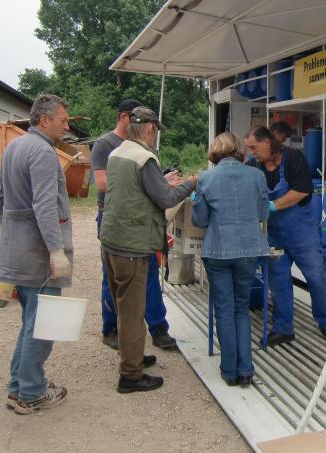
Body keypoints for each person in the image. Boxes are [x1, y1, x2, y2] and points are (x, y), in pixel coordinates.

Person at [100, 106, 195, 393]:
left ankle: (134, 356)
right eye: (156, 131)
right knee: (132, 310)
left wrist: (160, 181)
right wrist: (190, 183)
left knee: (121, 305)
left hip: (111, 240)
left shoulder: (119, 152)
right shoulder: (145, 157)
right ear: (150, 129)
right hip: (132, 245)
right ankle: (130, 375)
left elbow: (135, 188)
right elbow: (166, 199)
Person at [0, 94, 72, 414]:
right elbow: (45, 207)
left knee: (31, 321)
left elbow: (1, 200)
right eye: (63, 120)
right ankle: (30, 392)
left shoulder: (14, 146)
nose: (66, 126)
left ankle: (19, 384)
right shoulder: (42, 151)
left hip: (19, 248)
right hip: (40, 255)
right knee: (43, 326)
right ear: (45, 121)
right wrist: (55, 250)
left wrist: (15, 238)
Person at [91, 99, 177, 351]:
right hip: (113, 218)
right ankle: (112, 329)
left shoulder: (144, 148)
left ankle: (157, 327)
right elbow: (103, 184)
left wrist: (160, 181)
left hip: (141, 222)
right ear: (126, 117)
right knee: (113, 278)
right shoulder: (105, 145)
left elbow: (146, 182)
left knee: (149, 273)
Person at [244, 126, 326, 346]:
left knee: (316, 277)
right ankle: (283, 328)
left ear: (267, 142)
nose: (250, 152)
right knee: (278, 281)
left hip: (302, 233)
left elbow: (303, 190)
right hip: (274, 235)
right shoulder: (252, 166)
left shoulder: (294, 158)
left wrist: (273, 205)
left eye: (253, 147)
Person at [192, 133, 269, 387]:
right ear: (239, 150)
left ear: (216, 151)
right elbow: (261, 213)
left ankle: (229, 371)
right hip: (249, 249)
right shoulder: (257, 176)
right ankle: (246, 370)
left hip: (218, 249)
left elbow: (200, 221)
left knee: (224, 309)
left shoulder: (206, 178)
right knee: (241, 308)